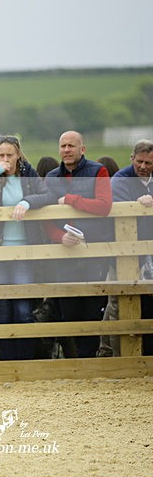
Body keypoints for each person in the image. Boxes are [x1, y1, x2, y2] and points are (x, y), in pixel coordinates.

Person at [0, 136, 55, 360]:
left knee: (23, 309)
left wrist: (27, 202)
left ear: (18, 155)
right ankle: (7, 362)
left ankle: (24, 361)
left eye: (9, 155)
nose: (5, 159)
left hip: (23, 251)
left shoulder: (28, 174)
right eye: (1, 155)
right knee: (2, 307)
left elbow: (48, 195)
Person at [44, 130, 113, 358]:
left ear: (82, 149)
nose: (66, 150)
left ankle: (89, 360)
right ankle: (72, 361)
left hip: (93, 251)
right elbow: (45, 217)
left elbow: (104, 206)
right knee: (67, 309)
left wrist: (71, 200)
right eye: (63, 146)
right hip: (64, 252)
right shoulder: (52, 177)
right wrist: (58, 236)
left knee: (92, 308)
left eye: (71, 146)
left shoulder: (98, 171)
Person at [98, 140, 153, 356]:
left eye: (148, 162)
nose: (143, 166)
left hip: (148, 248)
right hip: (124, 251)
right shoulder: (120, 179)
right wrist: (138, 204)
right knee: (117, 303)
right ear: (132, 159)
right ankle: (113, 354)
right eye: (139, 161)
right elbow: (118, 205)